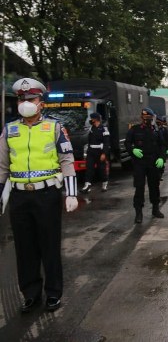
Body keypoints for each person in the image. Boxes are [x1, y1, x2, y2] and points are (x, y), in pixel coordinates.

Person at [0, 78, 79, 312]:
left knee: (49, 246)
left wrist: (71, 194)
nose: (26, 103)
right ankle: (30, 293)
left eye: (31, 99)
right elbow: (2, 167)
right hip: (20, 196)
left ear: (40, 102)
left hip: (47, 195)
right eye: (22, 99)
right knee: (24, 248)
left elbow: (67, 161)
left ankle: (53, 293)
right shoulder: (10, 130)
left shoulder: (54, 128)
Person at [125, 107, 166, 223]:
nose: (147, 120)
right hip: (140, 163)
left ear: (152, 118)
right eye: (145, 117)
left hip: (153, 162)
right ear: (141, 118)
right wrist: (132, 150)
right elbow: (127, 143)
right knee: (139, 187)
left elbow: (162, 145)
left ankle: (155, 208)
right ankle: (138, 212)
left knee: (154, 186)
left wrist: (162, 158)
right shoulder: (135, 130)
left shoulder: (156, 131)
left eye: (149, 118)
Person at [80, 112, 110, 194]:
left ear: (96, 119)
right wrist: (87, 153)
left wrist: (104, 153)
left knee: (101, 169)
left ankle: (104, 183)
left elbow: (106, 143)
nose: (91, 120)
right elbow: (89, 141)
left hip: (100, 152)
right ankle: (87, 185)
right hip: (91, 152)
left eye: (92, 119)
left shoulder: (104, 129)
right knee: (89, 169)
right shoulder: (91, 129)